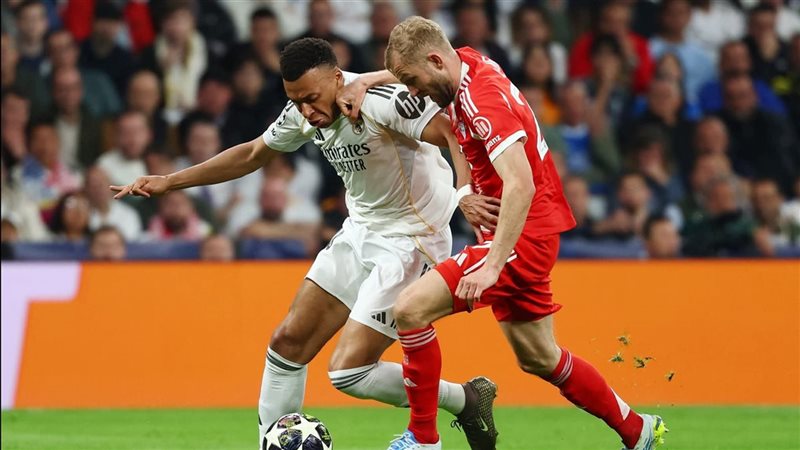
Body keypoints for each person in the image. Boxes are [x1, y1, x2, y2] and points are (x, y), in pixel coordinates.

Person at [111, 37, 500, 450]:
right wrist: (170, 181)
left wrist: (464, 192)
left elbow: (453, 132)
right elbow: (253, 154)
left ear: (337, 78)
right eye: (295, 101)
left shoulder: (381, 102)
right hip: (360, 232)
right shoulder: (302, 112)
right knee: (287, 344)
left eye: (312, 98)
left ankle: (464, 399)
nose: (306, 111)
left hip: (411, 242)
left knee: (348, 372)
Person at [342, 16, 668, 450]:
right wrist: (368, 79)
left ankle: (423, 439)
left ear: (436, 62)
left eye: (413, 82)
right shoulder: (466, 63)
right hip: (527, 231)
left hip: (521, 236)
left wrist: (494, 263)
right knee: (539, 357)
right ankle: (637, 430)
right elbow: (423, 57)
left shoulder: (483, 101)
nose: (413, 92)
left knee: (410, 309)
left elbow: (520, 184)